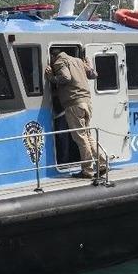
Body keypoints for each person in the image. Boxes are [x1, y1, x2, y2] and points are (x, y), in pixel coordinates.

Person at [44, 48, 107, 178]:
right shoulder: (78, 60)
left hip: (74, 104)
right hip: (87, 103)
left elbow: (66, 77)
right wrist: (89, 66)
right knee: (87, 135)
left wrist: (51, 77)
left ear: (52, 56)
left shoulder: (59, 62)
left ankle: (87, 170)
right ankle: (102, 163)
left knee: (80, 138)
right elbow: (94, 75)